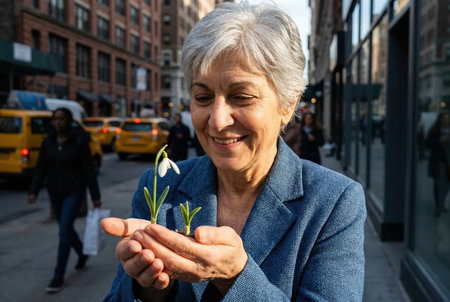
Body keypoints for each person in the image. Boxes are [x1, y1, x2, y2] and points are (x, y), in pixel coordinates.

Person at [101, 2, 366, 301]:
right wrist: (147, 287)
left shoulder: (333, 203)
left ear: (287, 104)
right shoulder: (160, 187)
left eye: (241, 97)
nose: (217, 119)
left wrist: (236, 278)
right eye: (203, 97)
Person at [27, 108, 101, 293]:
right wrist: (33, 191)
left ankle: (58, 276)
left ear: (69, 121)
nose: (57, 122)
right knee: (66, 229)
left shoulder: (79, 142)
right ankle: (82, 254)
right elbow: (40, 169)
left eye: (61, 119)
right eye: (55, 119)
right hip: (55, 193)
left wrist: (95, 196)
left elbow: (88, 170)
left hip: (74, 192)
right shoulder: (48, 142)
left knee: (64, 231)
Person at [426, 112, 450, 217]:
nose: (446, 121)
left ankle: (442, 203)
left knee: (446, 186)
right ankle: (438, 206)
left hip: (447, 163)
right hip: (439, 162)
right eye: (444, 119)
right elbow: (428, 143)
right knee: (439, 185)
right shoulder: (435, 130)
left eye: (447, 119)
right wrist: (440, 141)